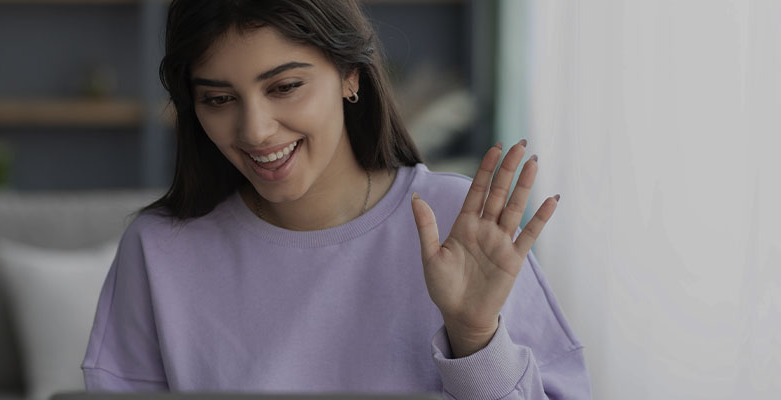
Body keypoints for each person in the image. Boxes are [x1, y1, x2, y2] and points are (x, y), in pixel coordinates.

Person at [81, 0, 590, 398]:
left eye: (284, 86)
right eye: (218, 99)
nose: (255, 130)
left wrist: (474, 336)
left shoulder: (460, 223)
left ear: (351, 75)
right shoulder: (158, 250)